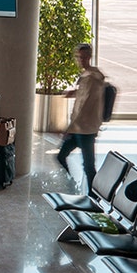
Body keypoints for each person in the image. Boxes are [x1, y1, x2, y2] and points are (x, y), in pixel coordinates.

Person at [56, 43, 105, 191]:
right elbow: (86, 97)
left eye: (83, 57)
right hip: (81, 128)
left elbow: (85, 105)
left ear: (89, 57)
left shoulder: (91, 78)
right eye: (79, 57)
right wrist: (75, 93)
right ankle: (75, 187)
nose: (80, 61)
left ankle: (92, 195)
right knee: (80, 162)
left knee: (88, 165)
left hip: (85, 129)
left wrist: (70, 128)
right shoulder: (90, 76)